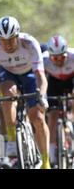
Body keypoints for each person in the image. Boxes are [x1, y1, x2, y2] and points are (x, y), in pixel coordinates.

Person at [0, 16, 50, 169]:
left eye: (11, 39)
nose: (7, 45)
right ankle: (12, 140)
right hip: (8, 74)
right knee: (6, 94)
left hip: (30, 74)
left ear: (18, 36)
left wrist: (42, 96)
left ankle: (46, 161)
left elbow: (41, 76)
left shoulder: (30, 43)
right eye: (3, 40)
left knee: (38, 118)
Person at [43, 35, 74, 166]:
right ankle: (51, 150)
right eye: (55, 58)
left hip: (71, 79)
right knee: (52, 114)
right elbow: (40, 80)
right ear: (50, 56)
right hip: (54, 83)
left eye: (62, 57)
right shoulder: (43, 59)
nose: (59, 60)